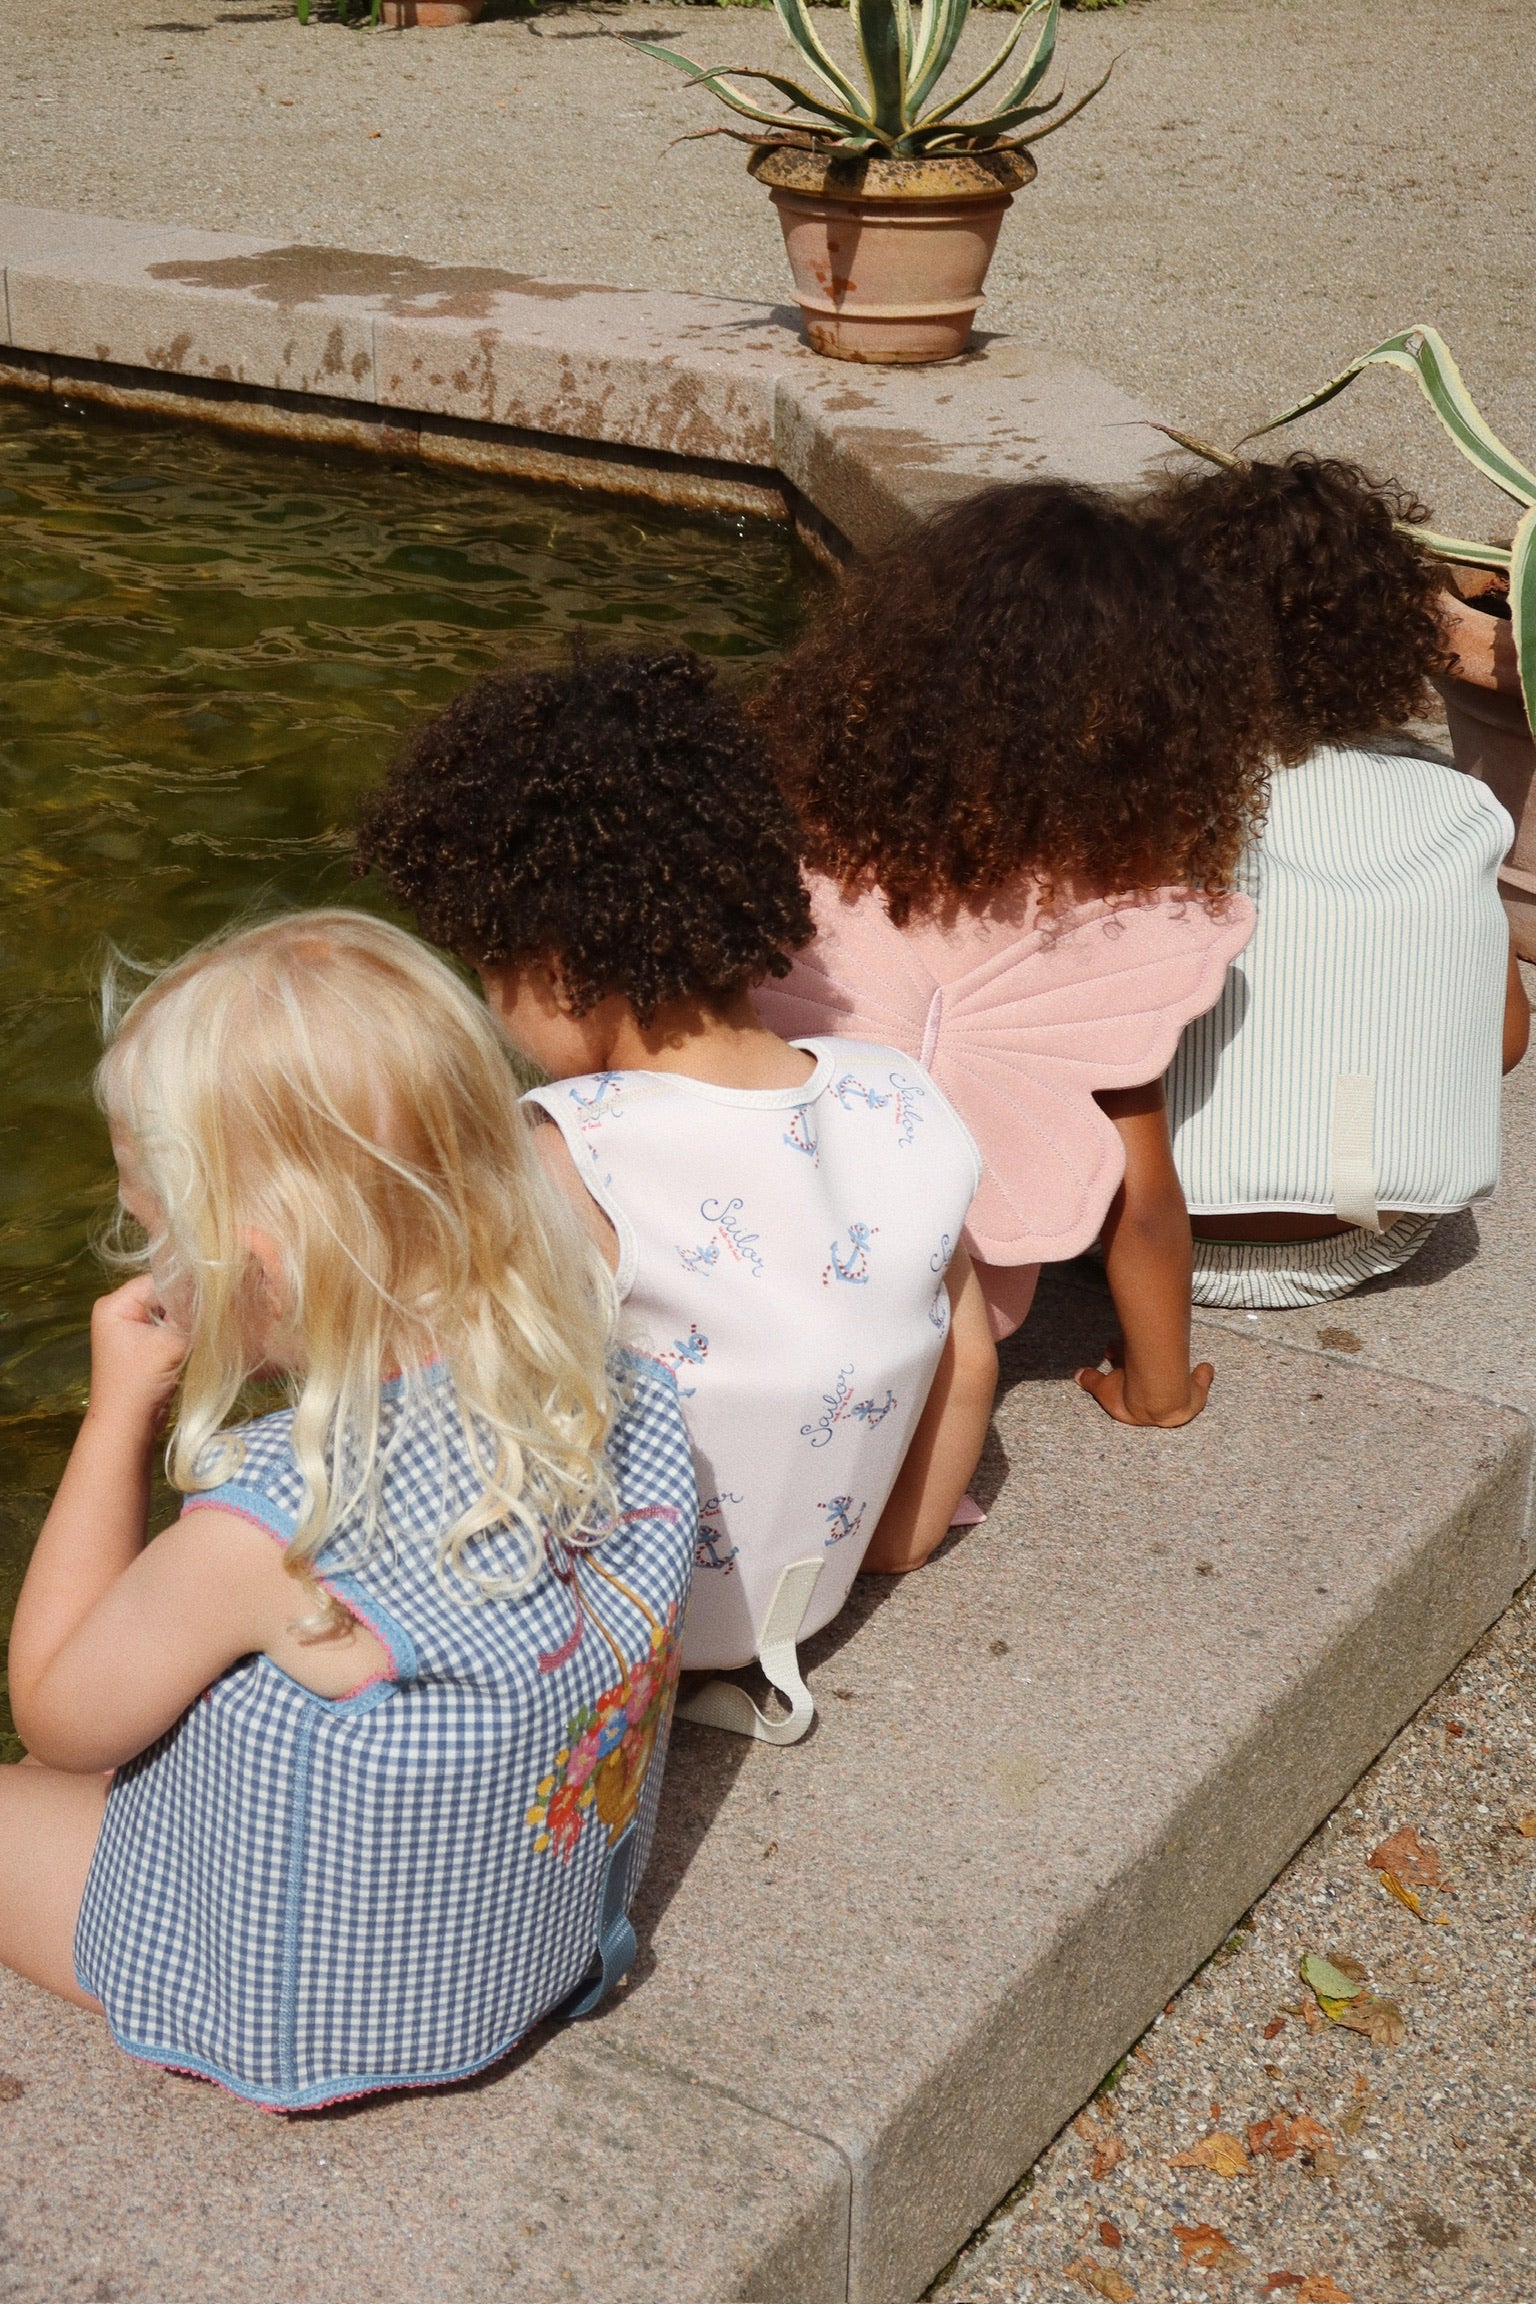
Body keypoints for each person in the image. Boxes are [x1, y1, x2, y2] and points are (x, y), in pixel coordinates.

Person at [0, 912, 697, 2109]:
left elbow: (59, 1715)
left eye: (159, 1229)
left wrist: (115, 1419)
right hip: (516, 1952)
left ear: (255, 1257)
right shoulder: (596, 1377)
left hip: (318, 2008)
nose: (146, 1261)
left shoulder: (273, 1521)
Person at [356, 645, 994, 1744]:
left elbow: (429, 1413)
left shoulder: (571, 1153)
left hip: (614, 1632)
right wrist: (892, 1547)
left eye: (487, 971)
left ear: (556, 966)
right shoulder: (904, 1101)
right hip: (817, 1597)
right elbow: (967, 1356)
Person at [754, 480, 1270, 1428]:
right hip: (943, 1315)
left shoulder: (803, 827)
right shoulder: (1102, 918)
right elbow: (1143, 1197)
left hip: (745, 1248)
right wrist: (1158, 1393)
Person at [1151, 452, 1529, 1307]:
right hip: (1377, 1228)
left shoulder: (1154, 811)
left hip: (1152, 1236)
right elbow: (1504, 1043)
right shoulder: (1457, 806)